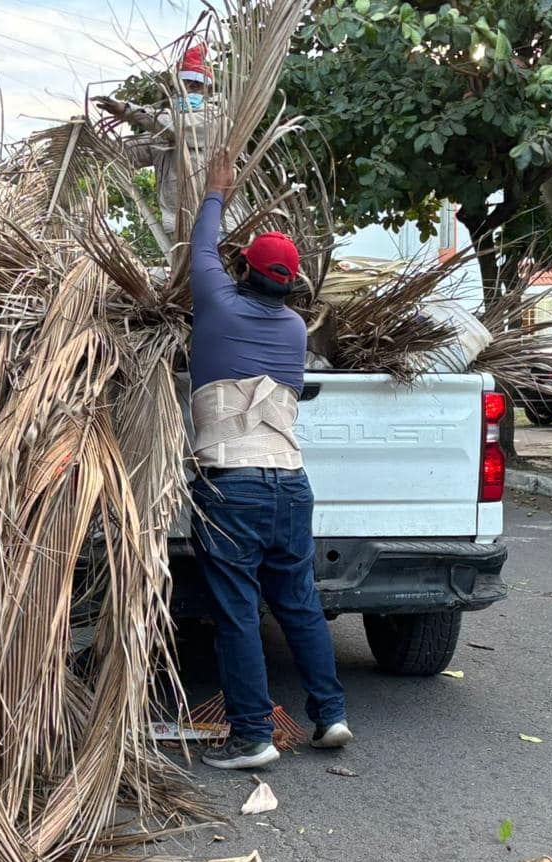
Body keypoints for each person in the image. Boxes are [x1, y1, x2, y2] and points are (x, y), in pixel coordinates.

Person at [188, 151, 352, 770]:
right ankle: (330, 714)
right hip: (290, 482)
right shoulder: (293, 330)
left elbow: (201, 251)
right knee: (299, 602)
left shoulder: (219, 306)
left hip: (233, 484)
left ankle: (252, 735)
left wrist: (214, 192)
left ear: (243, 270)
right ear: (292, 282)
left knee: (236, 611)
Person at [94, 44, 223, 244]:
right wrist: (93, 141)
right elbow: (128, 153)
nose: (189, 91)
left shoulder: (215, 118)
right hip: (179, 226)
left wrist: (129, 111)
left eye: (196, 86)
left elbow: (176, 128)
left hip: (216, 226)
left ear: (207, 90)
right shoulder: (162, 130)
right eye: (185, 85)